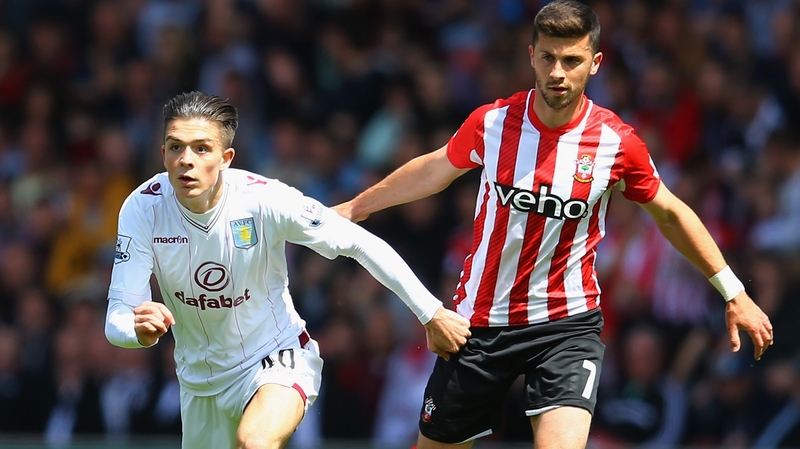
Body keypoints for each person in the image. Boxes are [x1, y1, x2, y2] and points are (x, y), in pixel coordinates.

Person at [333, 1, 774, 448]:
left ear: (595, 63)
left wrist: (733, 292)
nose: (558, 72)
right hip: (480, 322)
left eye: (572, 60)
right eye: (548, 58)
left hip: (566, 323)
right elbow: (433, 169)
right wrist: (356, 207)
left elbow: (672, 213)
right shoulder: (494, 123)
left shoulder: (615, 143)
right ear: (531, 56)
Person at [103, 91, 471, 449]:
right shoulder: (142, 209)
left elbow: (360, 242)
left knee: (256, 442)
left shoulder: (264, 199)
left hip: (276, 357)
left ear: (226, 157)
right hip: (199, 384)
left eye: (201, 148)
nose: (186, 159)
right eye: (175, 146)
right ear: (162, 153)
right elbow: (117, 316)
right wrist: (137, 332)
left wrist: (431, 312)